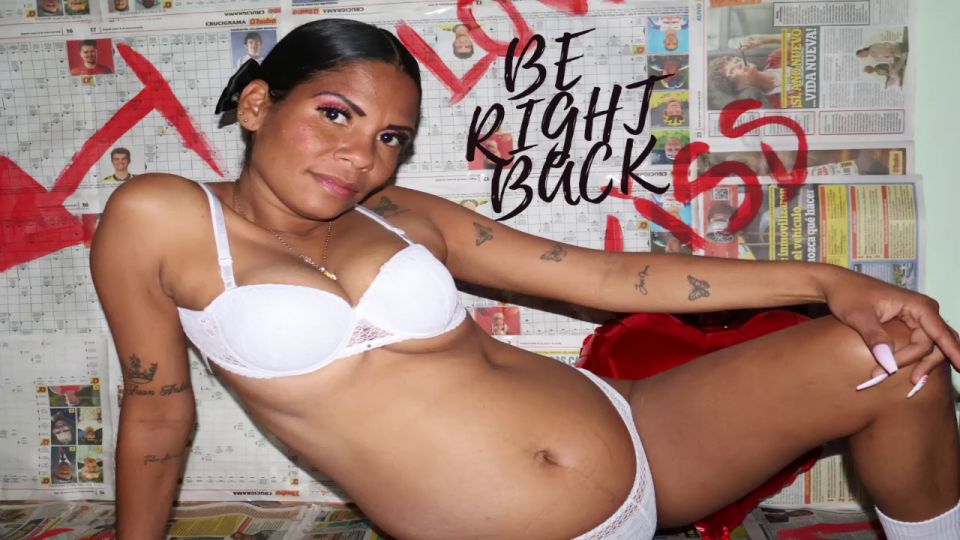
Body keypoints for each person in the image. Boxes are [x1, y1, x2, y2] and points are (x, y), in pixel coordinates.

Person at [91, 18, 960, 540]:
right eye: (334, 115)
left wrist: (831, 280)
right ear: (257, 105)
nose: (361, 156)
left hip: (646, 439)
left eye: (391, 137)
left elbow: (606, 275)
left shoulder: (397, 212)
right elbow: (159, 412)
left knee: (895, 358)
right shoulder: (160, 217)